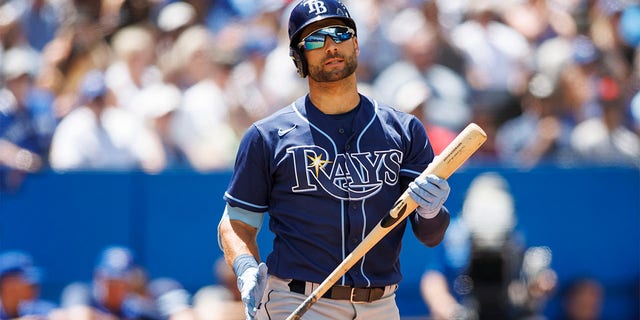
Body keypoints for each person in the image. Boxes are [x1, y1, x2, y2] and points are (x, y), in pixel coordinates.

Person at [217, 1, 452, 319]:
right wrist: (244, 268)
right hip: (298, 298)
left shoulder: (404, 129)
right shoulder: (267, 136)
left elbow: (430, 235)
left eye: (339, 34)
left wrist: (432, 211)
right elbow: (236, 222)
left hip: (381, 304)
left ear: (355, 43)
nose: (330, 45)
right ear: (298, 58)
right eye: (314, 39)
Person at [420, 172, 557, 320]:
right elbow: (433, 279)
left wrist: (538, 284)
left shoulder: (515, 237)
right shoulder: (454, 237)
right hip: (464, 311)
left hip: (508, 312)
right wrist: (452, 312)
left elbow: (533, 278)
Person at [58, 245, 157, 320]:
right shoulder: (80, 291)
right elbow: (80, 317)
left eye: (121, 282)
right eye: (110, 281)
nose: (115, 287)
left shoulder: (134, 307)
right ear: (97, 276)